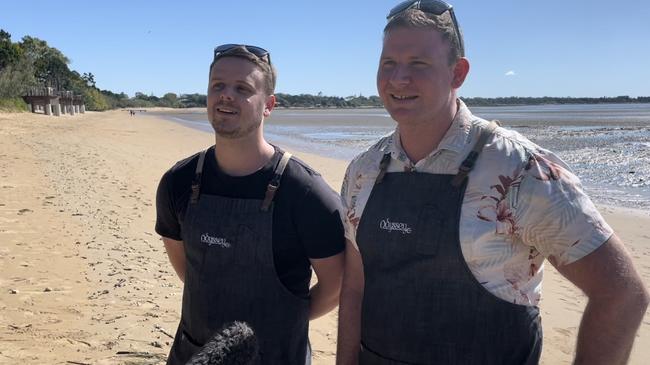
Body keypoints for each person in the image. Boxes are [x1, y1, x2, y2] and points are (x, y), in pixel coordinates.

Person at [336, 1, 649, 364]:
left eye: (418, 64)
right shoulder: (365, 169)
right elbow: (356, 287)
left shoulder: (519, 170)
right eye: (388, 63)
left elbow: (622, 294)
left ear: (458, 73)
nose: (398, 78)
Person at [155, 44, 346, 365]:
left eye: (242, 88)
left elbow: (335, 286)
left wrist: (282, 322)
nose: (226, 95)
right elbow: (188, 270)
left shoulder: (306, 192)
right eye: (218, 85)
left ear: (268, 105)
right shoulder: (178, 181)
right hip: (195, 352)